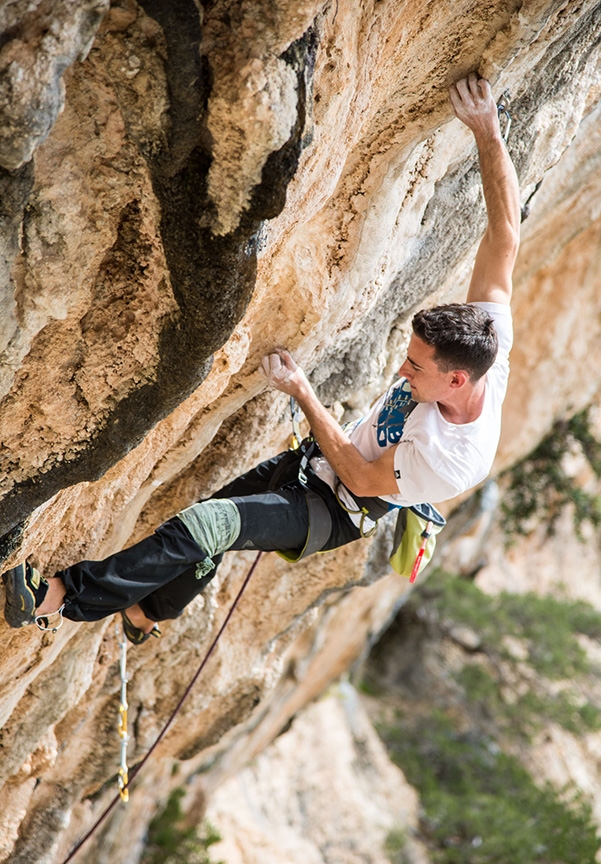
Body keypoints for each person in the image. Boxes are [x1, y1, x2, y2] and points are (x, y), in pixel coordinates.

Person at [2, 74, 520, 643]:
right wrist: (487, 131)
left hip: (337, 506)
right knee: (208, 526)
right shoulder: (485, 336)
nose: (402, 371)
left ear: (455, 379)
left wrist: (302, 392)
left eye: (416, 368)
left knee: (208, 524)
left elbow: (358, 477)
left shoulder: (452, 458)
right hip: (319, 464)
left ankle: (56, 597)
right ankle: (145, 614)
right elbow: (504, 237)